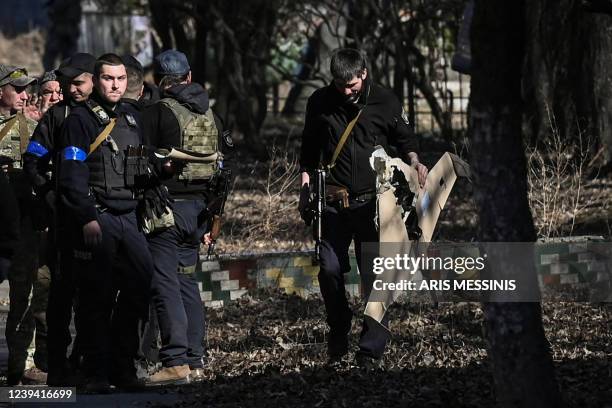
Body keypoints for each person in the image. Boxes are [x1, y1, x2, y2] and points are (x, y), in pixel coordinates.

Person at [298, 48, 428, 365]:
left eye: (351, 85)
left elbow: (405, 140)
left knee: (376, 278)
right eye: (340, 85)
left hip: (375, 205)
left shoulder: (385, 101)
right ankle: (339, 328)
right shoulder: (319, 102)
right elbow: (308, 150)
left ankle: (370, 350)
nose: (346, 91)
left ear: (364, 74)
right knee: (328, 268)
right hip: (332, 203)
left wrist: (415, 162)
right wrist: (304, 186)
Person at [57, 53, 153, 393]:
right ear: (96, 81)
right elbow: (71, 174)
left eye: (120, 79)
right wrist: (85, 217)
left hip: (130, 216)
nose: (115, 85)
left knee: (139, 288)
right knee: (96, 297)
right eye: (108, 78)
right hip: (98, 217)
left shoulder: (132, 116)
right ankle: (94, 372)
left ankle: (122, 367)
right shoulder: (79, 121)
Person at [142, 50, 229, 385]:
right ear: (189, 77)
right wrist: (212, 216)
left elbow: (142, 160)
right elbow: (224, 169)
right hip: (199, 212)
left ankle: (175, 360)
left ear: (159, 81)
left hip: (165, 210)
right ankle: (194, 359)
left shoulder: (156, 113)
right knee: (186, 282)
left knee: (165, 283)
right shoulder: (211, 115)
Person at [22, 52, 96, 386]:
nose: (72, 89)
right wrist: (51, 197)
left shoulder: (113, 115)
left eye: (78, 82)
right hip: (63, 221)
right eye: (67, 83)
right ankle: (58, 364)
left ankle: (92, 360)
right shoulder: (55, 118)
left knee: (97, 294)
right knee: (60, 292)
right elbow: (33, 162)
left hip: (105, 217)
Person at [0, 64, 48, 385]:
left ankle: (21, 363)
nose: (23, 94)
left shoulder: (30, 128)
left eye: (25, 89)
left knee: (24, 294)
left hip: (19, 225)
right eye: (16, 89)